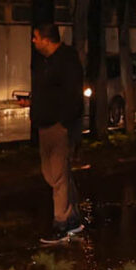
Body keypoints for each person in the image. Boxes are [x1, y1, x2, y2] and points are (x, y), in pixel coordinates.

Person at [27, 21, 84, 243]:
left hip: (58, 126)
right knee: (52, 174)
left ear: (47, 39)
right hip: (45, 124)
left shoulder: (67, 60)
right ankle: (72, 218)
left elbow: (72, 95)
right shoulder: (46, 61)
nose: (33, 41)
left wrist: (64, 122)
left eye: (36, 36)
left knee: (58, 175)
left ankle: (60, 223)